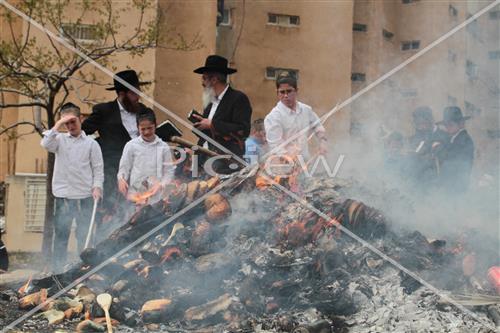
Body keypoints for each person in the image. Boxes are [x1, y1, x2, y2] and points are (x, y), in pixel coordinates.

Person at [41, 103, 104, 271]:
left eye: (73, 121)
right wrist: (58, 125)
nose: (70, 126)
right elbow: (45, 144)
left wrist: (97, 187)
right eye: (66, 123)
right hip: (63, 197)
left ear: (81, 119)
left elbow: (98, 169)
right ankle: (57, 271)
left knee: (83, 236)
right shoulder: (58, 140)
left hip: (85, 197)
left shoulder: (91, 144)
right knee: (61, 236)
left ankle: (81, 270)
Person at [82, 70, 152, 215]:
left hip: (140, 172)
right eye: (134, 93)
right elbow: (82, 133)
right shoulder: (104, 111)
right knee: (110, 215)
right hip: (111, 173)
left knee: (137, 214)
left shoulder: (144, 111)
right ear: (122, 94)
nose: (138, 96)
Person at [192, 55, 252, 174]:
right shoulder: (210, 103)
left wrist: (212, 124)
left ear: (214, 80)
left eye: (204, 78)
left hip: (226, 163)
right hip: (203, 159)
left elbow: (243, 130)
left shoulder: (238, 98)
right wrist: (200, 124)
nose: (202, 83)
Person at [264, 72, 327, 160]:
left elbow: (317, 126)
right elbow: (275, 145)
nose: (286, 96)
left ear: (296, 90)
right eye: (282, 92)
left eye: (289, 91)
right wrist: (289, 160)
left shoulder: (306, 110)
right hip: (284, 166)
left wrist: (322, 142)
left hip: (304, 161)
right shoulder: (273, 117)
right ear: (277, 93)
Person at [117, 110, 175, 205]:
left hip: (157, 197)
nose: (147, 132)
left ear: (155, 125)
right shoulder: (131, 145)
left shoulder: (163, 147)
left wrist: (161, 185)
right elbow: (124, 168)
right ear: (137, 128)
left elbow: (169, 172)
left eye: (150, 128)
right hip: (136, 195)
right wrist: (121, 179)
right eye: (143, 129)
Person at [406, 106, 448, 191]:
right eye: (418, 124)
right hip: (417, 184)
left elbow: (447, 160)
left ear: (430, 121)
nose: (421, 127)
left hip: (437, 185)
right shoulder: (413, 139)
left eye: (423, 123)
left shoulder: (444, 136)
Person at [435, 106, 474, 195]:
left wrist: (439, 149)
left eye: (450, 125)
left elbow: (451, 160)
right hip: (451, 185)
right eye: (446, 125)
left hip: (456, 185)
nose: (447, 128)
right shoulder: (453, 138)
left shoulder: (463, 140)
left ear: (461, 124)